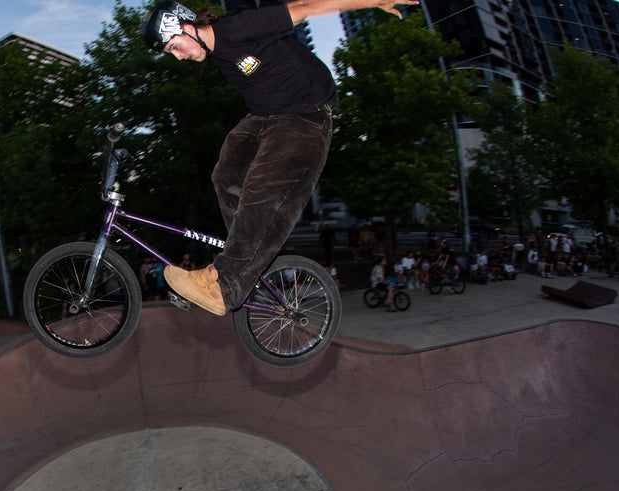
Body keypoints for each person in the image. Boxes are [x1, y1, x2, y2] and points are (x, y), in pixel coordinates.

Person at [143, 0, 415, 316]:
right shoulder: (219, 56)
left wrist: (374, 2)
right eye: (172, 53)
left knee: (261, 188)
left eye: (176, 47)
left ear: (187, 27)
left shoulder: (239, 27)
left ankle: (225, 284)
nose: (179, 57)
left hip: (304, 118)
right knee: (225, 177)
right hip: (263, 118)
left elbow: (306, 6)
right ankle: (247, 263)